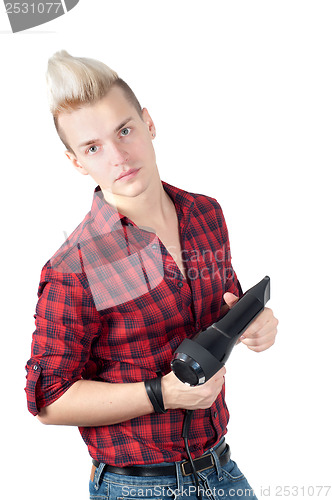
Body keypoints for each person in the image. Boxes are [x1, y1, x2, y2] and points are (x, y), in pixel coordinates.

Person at [25, 50, 278, 500]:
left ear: (148, 123)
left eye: (125, 131)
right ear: (77, 162)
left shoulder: (205, 214)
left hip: (221, 469)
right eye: (93, 147)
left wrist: (253, 323)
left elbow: (222, 310)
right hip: (135, 487)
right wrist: (161, 393)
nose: (119, 156)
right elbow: (49, 400)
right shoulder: (73, 269)